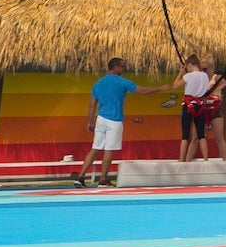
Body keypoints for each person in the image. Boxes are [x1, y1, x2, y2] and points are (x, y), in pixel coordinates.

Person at [75, 57, 170, 187]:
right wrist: (161, 88)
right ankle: (103, 180)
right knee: (109, 150)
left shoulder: (98, 83)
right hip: (114, 119)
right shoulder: (122, 82)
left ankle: (80, 177)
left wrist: (90, 121)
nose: (123, 69)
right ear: (115, 67)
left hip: (101, 118)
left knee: (95, 148)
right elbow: (143, 91)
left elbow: (92, 105)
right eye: (122, 66)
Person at [171, 56, 211, 162]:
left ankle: (181, 159)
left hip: (188, 106)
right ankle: (206, 159)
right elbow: (206, 89)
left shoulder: (188, 76)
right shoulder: (205, 76)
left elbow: (175, 85)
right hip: (200, 106)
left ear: (190, 65)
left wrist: (181, 72)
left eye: (187, 67)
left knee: (185, 135)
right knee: (201, 135)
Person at [199, 60, 226, 160]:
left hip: (214, 108)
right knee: (198, 136)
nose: (203, 72)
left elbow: (224, 83)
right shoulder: (200, 80)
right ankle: (205, 159)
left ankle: (225, 160)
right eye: (201, 70)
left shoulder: (215, 77)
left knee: (219, 137)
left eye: (205, 69)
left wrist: (213, 90)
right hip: (202, 108)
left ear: (211, 68)